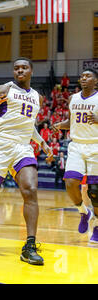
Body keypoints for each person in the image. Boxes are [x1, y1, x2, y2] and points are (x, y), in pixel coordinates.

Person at [0, 57, 53, 266]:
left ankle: (30, 246)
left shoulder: (37, 97)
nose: (20, 71)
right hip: (0, 145)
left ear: (31, 71)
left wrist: (42, 143)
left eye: (24, 67)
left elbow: (28, 126)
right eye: (16, 68)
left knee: (30, 190)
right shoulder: (4, 89)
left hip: (23, 147)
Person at [51, 68, 98, 242]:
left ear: (96, 81)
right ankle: (84, 213)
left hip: (95, 146)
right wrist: (59, 125)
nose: (84, 78)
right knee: (70, 183)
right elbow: (71, 122)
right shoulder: (73, 98)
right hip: (76, 145)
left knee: (95, 192)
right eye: (82, 76)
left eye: (88, 76)